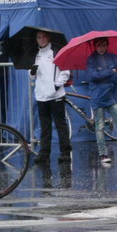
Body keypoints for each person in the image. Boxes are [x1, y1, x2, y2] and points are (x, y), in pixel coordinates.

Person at [31, 30, 71, 163]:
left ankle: (65, 152)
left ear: (48, 37)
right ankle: (44, 153)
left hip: (56, 95)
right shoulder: (35, 54)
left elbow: (65, 71)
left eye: (43, 37)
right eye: (39, 37)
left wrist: (56, 85)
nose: (41, 39)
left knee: (60, 125)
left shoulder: (56, 51)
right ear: (36, 39)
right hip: (41, 96)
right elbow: (31, 76)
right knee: (45, 126)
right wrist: (32, 72)